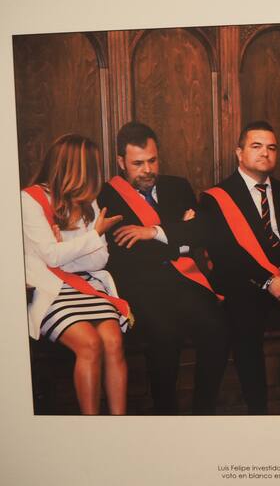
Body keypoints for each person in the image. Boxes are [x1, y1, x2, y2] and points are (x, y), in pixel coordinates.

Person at [163, 121, 280, 414]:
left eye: (271, 148)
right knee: (244, 325)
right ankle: (258, 414)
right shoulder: (216, 197)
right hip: (244, 286)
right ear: (239, 153)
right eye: (256, 146)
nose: (265, 153)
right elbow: (225, 256)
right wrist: (268, 282)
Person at [97, 121, 228, 415]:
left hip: (183, 281)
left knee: (218, 328)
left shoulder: (177, 186)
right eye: (138, 163)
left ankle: (203, 414)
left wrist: (152, 232)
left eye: (152, 161)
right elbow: (125, 255)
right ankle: (165, 415)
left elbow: (204, 232)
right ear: (121, 162)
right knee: (165, 336)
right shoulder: (107, 196)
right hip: (140, 286)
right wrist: (179, 234)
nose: (147, 170)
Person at [22, 134, 129, 415]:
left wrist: (66, 249)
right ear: (76, 167)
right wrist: (92, 237)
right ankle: (89, 426)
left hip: (88, 285)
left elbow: (100, 259)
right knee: (90, 344)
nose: (97, 173)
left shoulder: (88, 201)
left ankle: (120, 425)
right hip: (53, 291)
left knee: (113, 342)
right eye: (93, 166)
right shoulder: (31, 199)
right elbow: (52, 258)